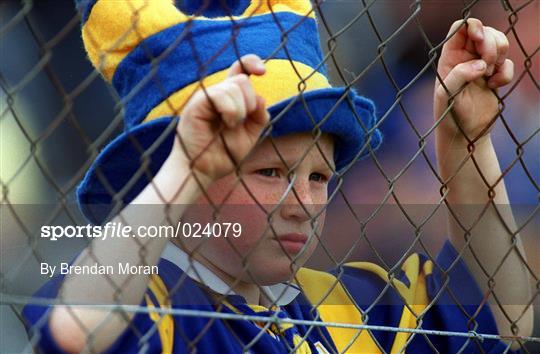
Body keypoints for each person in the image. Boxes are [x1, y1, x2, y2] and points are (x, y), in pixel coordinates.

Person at [23, 0, 533, 353]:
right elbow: (76, 332)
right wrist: (184, 168)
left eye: (319, 177)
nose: (303, 203)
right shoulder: (158, 298)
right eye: (269, 172)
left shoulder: (339, 306)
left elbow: (503, 318)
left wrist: (466, 144)